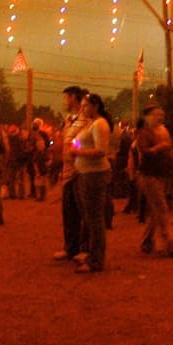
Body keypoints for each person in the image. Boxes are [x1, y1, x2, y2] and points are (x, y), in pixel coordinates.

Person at [132, 104, 173, 258]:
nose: (160, 117)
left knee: (156, 211)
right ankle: (171, 244)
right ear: (147, 116)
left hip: (161, 174)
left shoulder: (163, 130)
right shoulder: (143, 133)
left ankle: (147, 242)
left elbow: (168, 150)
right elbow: (145, 152)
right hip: (149, 175)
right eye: (156, 114)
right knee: (161, 209)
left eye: (161, 114)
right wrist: (159, 147)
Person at [69, 93, 112, 273]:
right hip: (85, 173)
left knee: (95, 219)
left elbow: (101, 151)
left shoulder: (100, 124)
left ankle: (96, 260)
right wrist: (76, 147)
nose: (83, 108)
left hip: (95, 174)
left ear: (95, 106)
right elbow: (83, 144)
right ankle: (91, 252)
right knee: (89, 217)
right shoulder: (91, 123)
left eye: (85, 105)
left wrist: (78, 153)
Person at [53, 86, 89, 262]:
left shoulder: (85, 120)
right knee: (68, 213)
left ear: (74, 98)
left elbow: (83, 141)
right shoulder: (69, 120)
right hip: (67, 171)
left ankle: (85, 249)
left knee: (83, 213)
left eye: (66, 98)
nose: (64, 102)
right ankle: (70, 248)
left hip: (79, 170)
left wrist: (73, 148)